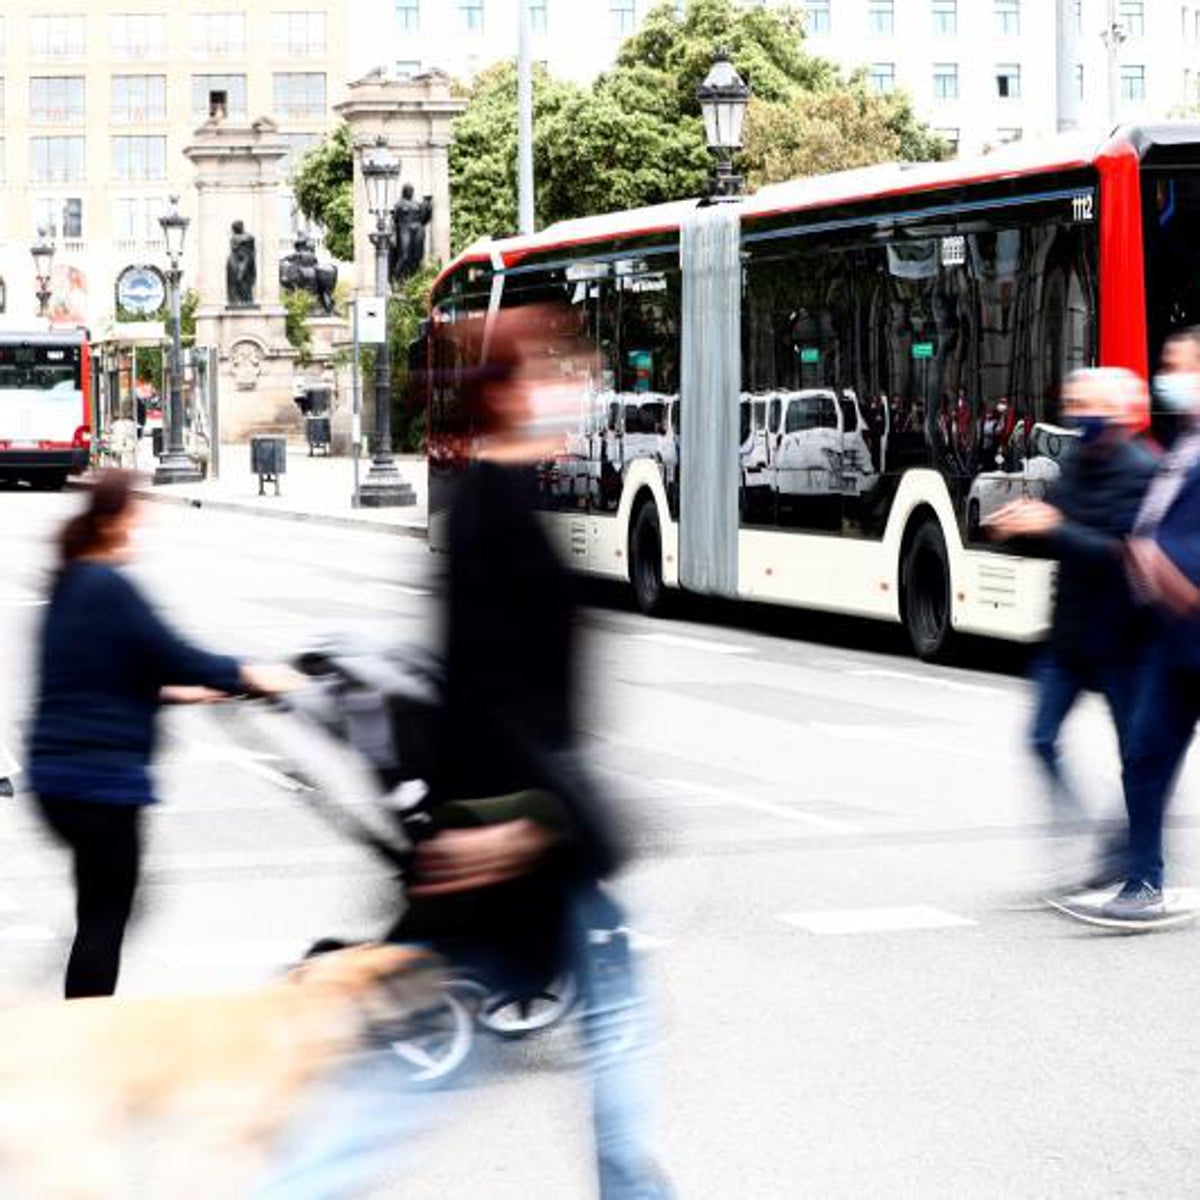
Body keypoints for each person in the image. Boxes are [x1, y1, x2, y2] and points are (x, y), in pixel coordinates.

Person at [408, 306, 669, 1198]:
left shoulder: (505, 501)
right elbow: (478, 686)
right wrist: (505, 823)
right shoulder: (492, 512)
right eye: (562, 370)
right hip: (527, 836)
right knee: (399, 1086)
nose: (581, 387)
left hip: (535, 834)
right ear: (513, 392)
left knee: (612, 1042)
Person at [28, 472, 295, 997]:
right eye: (135, 517)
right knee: (106, 918)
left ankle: (75, 1018)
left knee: (102, 911)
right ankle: (82, 1031)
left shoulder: (69, 582)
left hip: (60, 781)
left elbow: (101, 671)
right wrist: (247, 674)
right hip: (98, 783)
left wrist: (181, 694)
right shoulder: (108, 585)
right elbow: (173, 652)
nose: (138, 529)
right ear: (113, 521)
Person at [987, 368, 1156, 897]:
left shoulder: (1140, 470)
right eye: (1074, 401)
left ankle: (1133, 852)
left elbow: (1120, 554)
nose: (1078, 410)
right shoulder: (1077, 464)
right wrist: (1013, 531)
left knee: (1137, 755)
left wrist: (1052, 526)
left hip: (1121, 641)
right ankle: (1089, 834)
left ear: (1118, 412)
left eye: (1088, 402)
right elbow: (1057, 535)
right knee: (1040, 738)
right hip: (1068, 638)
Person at [1077, 328, 1200, 924]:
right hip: (1170, 638)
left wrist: (1168, 569)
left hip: (1190, 618)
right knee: (1146, 755)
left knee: (1147, 754)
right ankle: (1143, 881)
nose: (1168, 378)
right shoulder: (1182, 446)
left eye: (1181, 367)